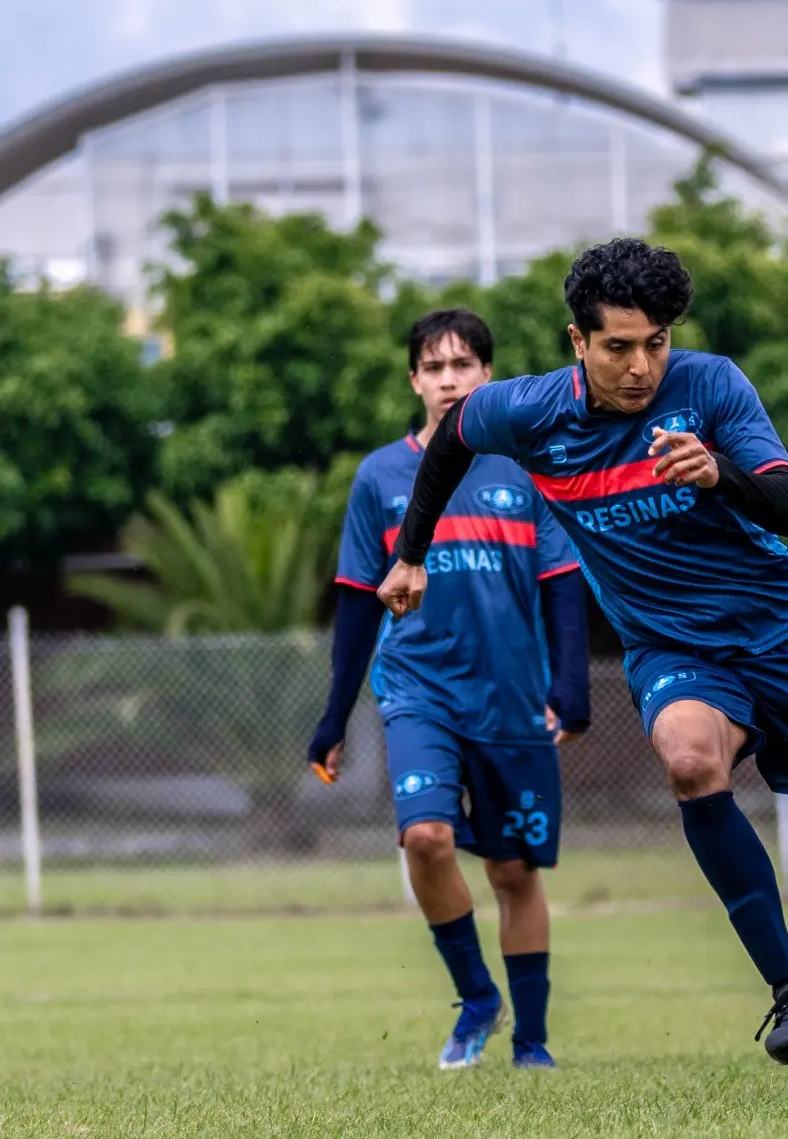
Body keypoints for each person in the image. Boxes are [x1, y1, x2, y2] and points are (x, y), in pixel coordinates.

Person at [375, 238, 788, 1065]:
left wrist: (718, 474)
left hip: (784, 633)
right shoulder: (530, 411)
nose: (641, 366)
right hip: (673, 648)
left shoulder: (709, 384)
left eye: (656, 342)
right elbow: (454, 437)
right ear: (577, 343)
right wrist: (412, 553)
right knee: (688, 758)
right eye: (617, 347)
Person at [307, 309, 590, 1072]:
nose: (448, 379)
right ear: (414, 381)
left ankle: (531, 1042)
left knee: (512, 871)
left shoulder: (528, 468)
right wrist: (334, 716)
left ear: (487, 376)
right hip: (417, 691)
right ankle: (475, 999)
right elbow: (358, 601)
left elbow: (563, 583)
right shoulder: (380, 478)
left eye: (462, 365)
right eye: (433, 368)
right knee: (425, 838)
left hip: (511, 699)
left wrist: (571, 687)